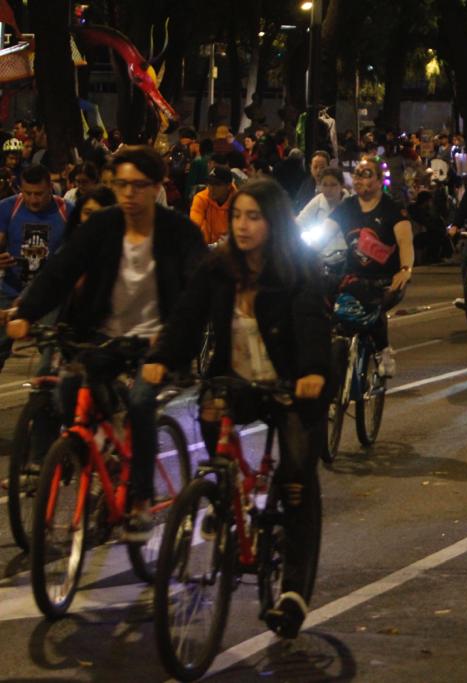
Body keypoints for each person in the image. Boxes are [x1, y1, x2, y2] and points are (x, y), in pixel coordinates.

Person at [143, 178, 329, 639]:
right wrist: (163, 358)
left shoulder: (297, 268)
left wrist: (311, 372)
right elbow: (187, 317)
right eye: (237, 216)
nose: (242, 226)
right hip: (238, 381)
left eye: (254, 217)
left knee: (296, 478)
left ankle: (293, 593)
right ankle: (225, 496)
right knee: (210, 411)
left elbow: (310, 322)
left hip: (292, 385)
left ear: (273, 223)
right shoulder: (218, 268)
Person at [5, 145, 207, 540]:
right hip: (104, 337)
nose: (129, 194)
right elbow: (62, 269)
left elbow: (195, 295)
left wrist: (168, 347)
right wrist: (27, 313)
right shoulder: (103, 226)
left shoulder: (180, 233)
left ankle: (140, 501)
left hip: (157, 341)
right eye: (121, 186)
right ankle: (98, 457)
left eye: (138, 186)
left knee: (141, 402)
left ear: (158, 186)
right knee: (66, 387)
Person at [324, 157, 414, 377]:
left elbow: (405, 242)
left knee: (374, 303)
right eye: (356, 174)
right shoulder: (347, 207)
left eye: (366, 174)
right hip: (353, 275)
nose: (359, 180)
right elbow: (324, 231)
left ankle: (383, 350)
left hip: (384, 279)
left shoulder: (392, 209)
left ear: (379, 179)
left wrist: (405, 270)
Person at [0, 163, 70, 372]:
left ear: (50, 187)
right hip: (10, 290)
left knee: (49, 350)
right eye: (27, 193)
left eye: (39, 193)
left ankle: (44, 399)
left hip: (48, 296)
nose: (33, 199)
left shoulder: (67, 211)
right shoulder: (7, 208)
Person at [190, 166, 237, 244]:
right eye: (210, 183)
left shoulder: (238, 202)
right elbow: (194, 228)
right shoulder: (201, 198)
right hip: (206, 248)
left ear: (228, 186)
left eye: (217, 184)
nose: (211, 188)